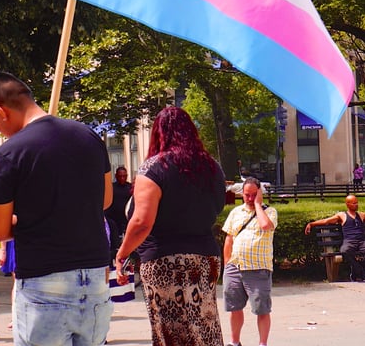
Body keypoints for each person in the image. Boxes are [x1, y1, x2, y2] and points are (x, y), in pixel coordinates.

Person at [0, 70, 113, 346]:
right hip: (95, 276)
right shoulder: (89, 137)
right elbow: (105, 200)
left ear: (0, 111)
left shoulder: (9, 153)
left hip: (44, 279)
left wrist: (29, 219)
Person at [112, 106, 226, 346]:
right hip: (205, 257)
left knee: (170, 332)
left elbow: (142, 221)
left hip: (165, 260)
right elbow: (217, 208)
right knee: (205, 327)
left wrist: (122, 254)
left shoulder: (153, 168)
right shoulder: (212, 167)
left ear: (158, 133)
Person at [222, 177, 277, 346]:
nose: (250, 199)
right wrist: (227, 264)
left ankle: (262, 343)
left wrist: (259, 205)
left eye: (254, 195)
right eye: (247, 195)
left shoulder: (270, 212)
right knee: (234, 308)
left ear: (260, 193)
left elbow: (265, 226)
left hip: (258, 268)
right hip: (235, 266)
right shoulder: (235, 213)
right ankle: (235, 341)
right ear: (242, 194)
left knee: (262, 309)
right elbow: (229, 239)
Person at [303, 195, 365, 281]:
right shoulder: (342, 215)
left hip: (361, 242)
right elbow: (326, 221)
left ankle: (358, 270)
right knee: (345, 251)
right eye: (354, 203)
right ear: (347, 204)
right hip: (349, 242)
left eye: (357, 203)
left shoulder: (361, 215)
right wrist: (311, 224)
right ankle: (361, 271)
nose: (356, 205)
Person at [105, 166, 133, 250]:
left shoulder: (130, 188)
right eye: (120, 176)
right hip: (113, 220)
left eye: (124, 176)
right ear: (116, 176)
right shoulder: (111, 188)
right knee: (115, 244)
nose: (122, 178)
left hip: (127, 220)